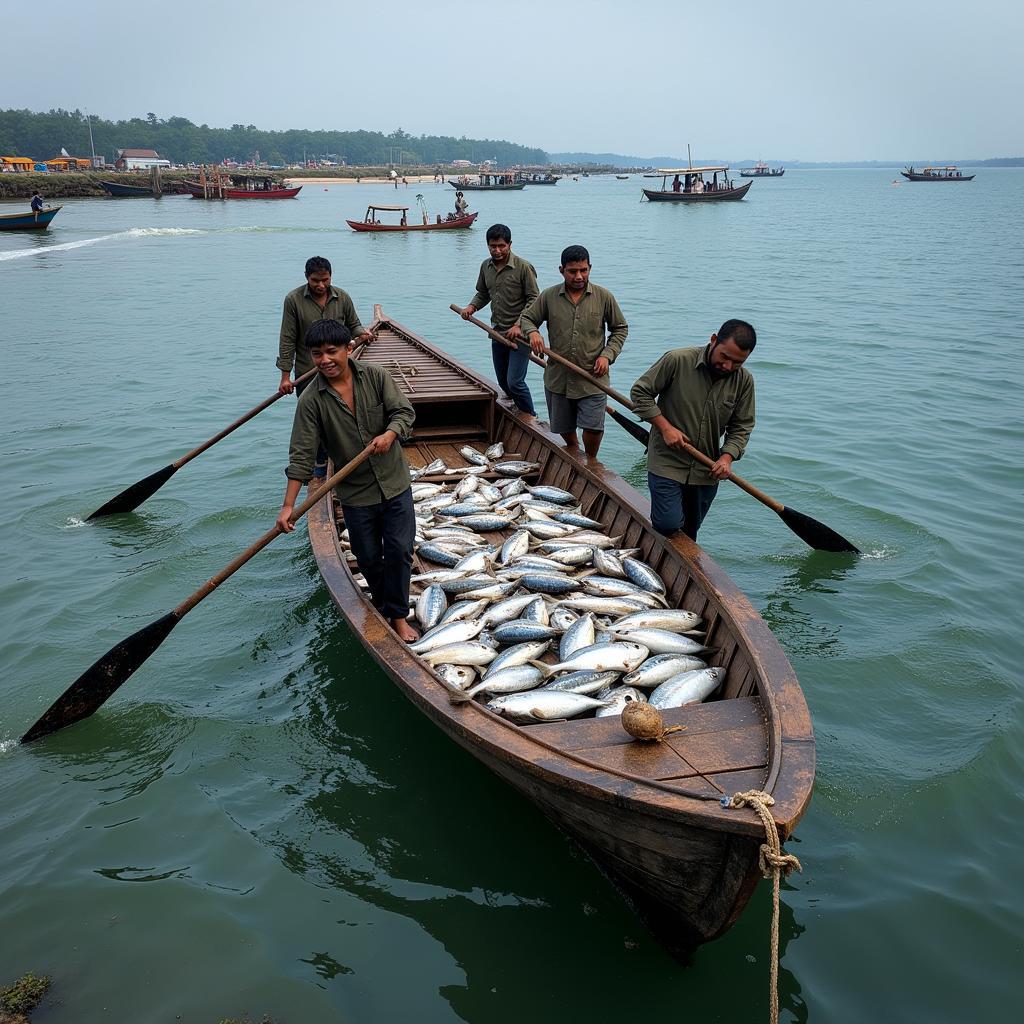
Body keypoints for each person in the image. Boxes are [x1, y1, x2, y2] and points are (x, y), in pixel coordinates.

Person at [277, 319, 419, 642]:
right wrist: (288, 506)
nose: (325, 360)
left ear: (348, 348)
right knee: (367, 557)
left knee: (398, 549)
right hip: (356, 493)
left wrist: (390, 433)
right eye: (317, 354)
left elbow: (404, 413)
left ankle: (397, 615)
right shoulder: (311, 401)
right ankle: (383, 603)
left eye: (332, 351)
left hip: (395, 481)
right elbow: (301, 455)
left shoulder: (376, 376)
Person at [630, 319, 757, 541]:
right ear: (714, 340)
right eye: (724, 357)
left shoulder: (744, 381)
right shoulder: (677, 360)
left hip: (705, 469)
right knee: (667, 524)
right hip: (666, 462)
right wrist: (665, 427)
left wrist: (727, 458)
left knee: (688, 534)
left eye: (737, 362)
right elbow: (640, 393)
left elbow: (742, 426)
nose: (727, 366)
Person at [520, 244, 628, 459]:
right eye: (572, 271)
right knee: (563, 426)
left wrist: (607, 355)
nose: (579, 276)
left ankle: (591, 460)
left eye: (584, 270)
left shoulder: (604, 297)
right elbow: (528, 319)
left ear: (590, 268)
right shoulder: (549, 296)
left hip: (592, 377)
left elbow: (620, 329)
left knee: (594, 427)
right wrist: (533, 333)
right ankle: (573, 451)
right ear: (562, 270)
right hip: (559, 377)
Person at [277, 256, 375, 477]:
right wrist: (285, 377)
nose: (320, 285)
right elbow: (287, 339)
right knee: (314, 418)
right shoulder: (293, 300)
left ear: (331, 277)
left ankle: (346, 456)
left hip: (341, 369)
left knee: (343, 413)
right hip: (308, 372)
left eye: (325, 280)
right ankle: (319, 462)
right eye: (315, 281)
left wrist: (362, 334)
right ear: (306, 278)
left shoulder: (342, 297)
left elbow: (354, 324)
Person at [460, 223, 539, 419]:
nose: (497, 250)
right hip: (498, 331)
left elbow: (534, 299)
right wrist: (472, 307)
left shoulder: (523, 267)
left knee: (515, 382)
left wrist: (518, 325)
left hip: (521, 335)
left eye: (501, 246)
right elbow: (483, 293)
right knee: (503, 382)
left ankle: (530, 416)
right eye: (493, 246)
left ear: (510, 244)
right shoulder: (485, 266)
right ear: (487, 245)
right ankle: (517, 411)